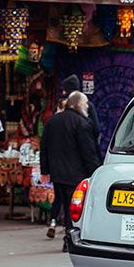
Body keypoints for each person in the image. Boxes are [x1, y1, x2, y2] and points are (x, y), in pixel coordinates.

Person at [40, 91, 101, 245]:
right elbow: (88, 152)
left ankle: (68, 237)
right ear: (78, 104)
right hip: (76, 173)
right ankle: (70, 239)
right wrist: (96, 172)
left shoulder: (53, 121)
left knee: (66, 206)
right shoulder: (81, 123)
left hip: (57, 173)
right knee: (73, 208)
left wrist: (45, 170)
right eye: (85, 103)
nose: (87, 106)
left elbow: (44, 147)